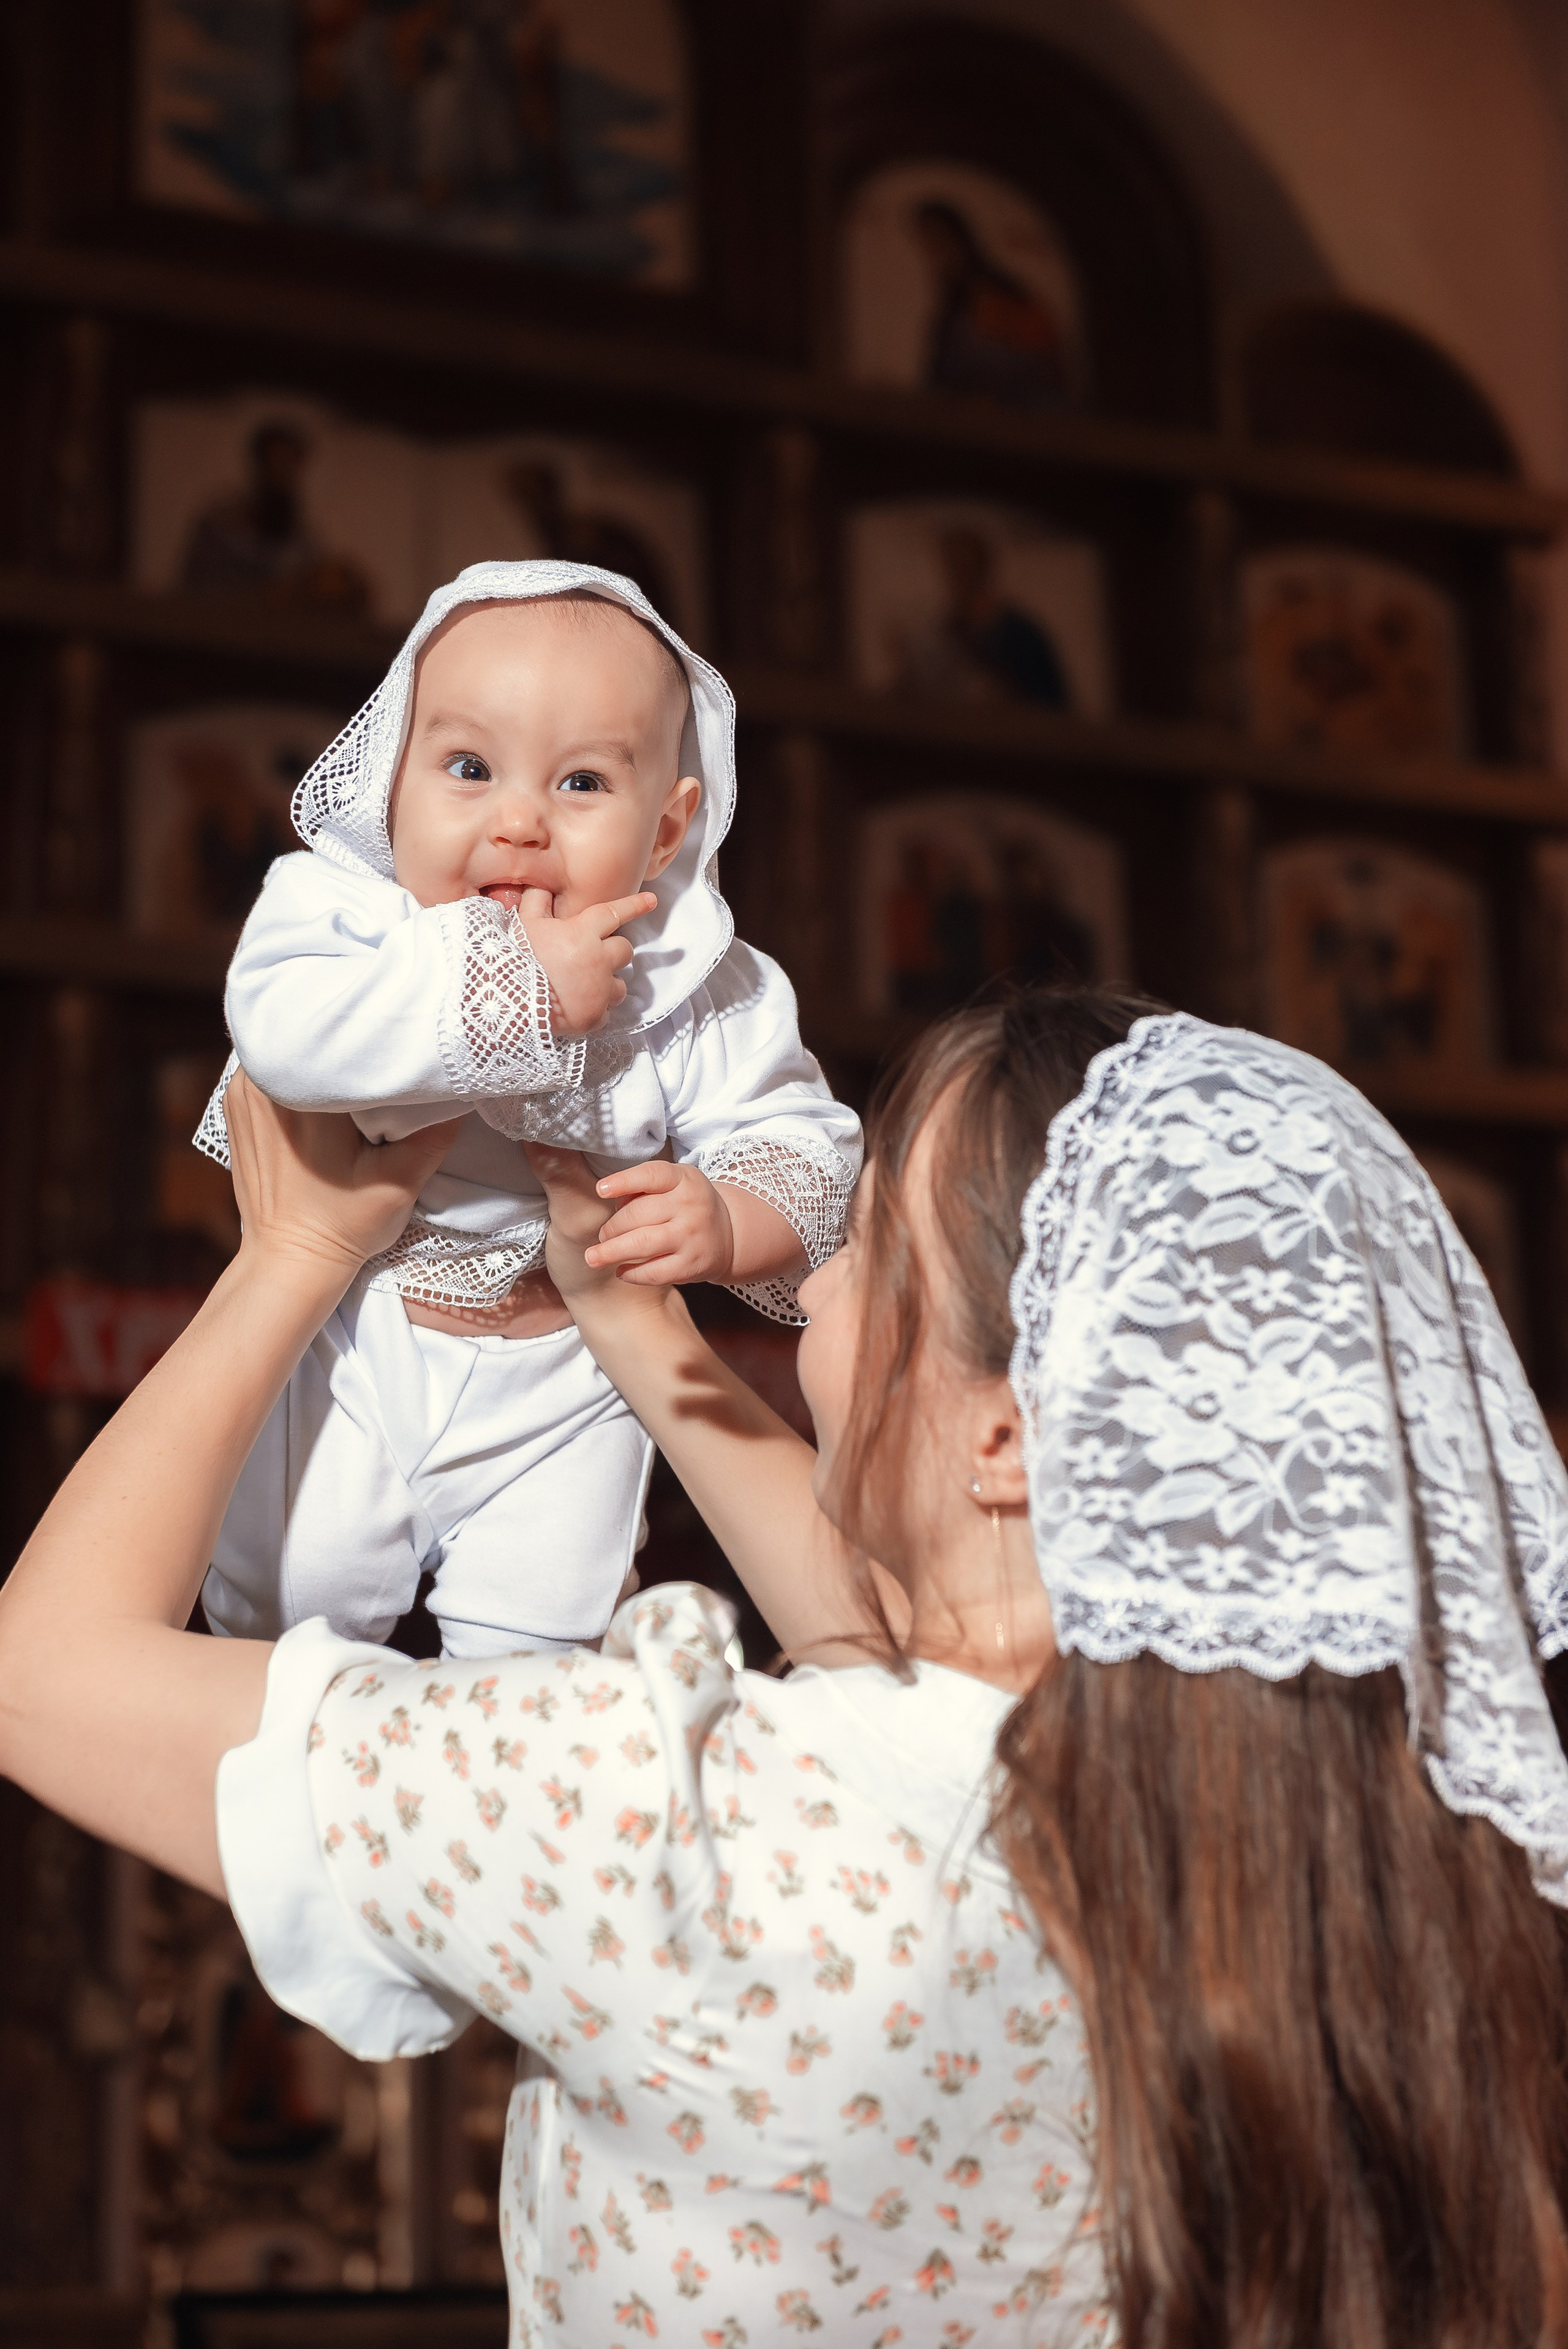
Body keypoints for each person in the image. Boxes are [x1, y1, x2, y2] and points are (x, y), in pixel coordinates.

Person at [2, 989, 1567, 2344]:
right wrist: (635, 1327)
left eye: (869, 1237)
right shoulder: (1359, 1881)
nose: (810, 1274)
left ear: (1010, 1433)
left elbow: (44, 1671)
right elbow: (905, 1671)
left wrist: (290, 1251)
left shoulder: (671, 1823)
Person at [194, 558, 859, 1661]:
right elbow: (285, 1031)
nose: (519, 821)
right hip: (357, 1332)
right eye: (467, 767)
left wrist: (728, 1217)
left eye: (584, 783)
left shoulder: (700, 982)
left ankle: (496, 1795)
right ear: (390, 780)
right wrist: (520, 996)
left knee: (546, 1637)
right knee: (288, 1599)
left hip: (568, 1368)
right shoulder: (344, 915)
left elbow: (806, 1146)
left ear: (665, 829)